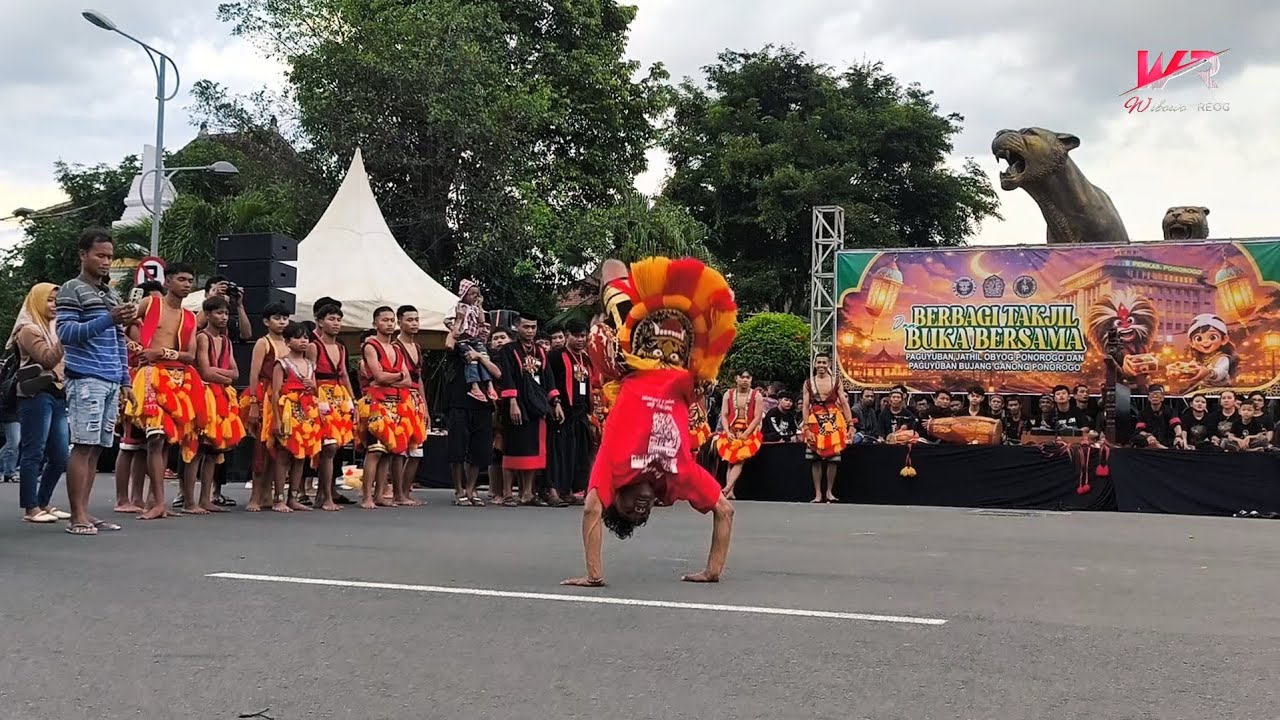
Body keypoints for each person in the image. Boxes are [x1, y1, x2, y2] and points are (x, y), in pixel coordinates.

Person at [563, 256, 737, 588]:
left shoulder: (613, 467)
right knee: (714, 304)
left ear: (617, 500)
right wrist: (713, 569)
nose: (641, 509)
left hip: (637, 354)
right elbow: (725, 511)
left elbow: (590, 510)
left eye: (630, 511)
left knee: (614, 274)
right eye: (643, 516)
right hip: (684, 354)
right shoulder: (677, 478)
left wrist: (594, 575)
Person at [56, 228, 134, 535]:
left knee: (98, 448)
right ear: (83, 255)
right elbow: (66, 334)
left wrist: (125, 380)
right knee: (83, 446)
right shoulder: (71, 289)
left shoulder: (109, 294)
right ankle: (77, 516)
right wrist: (109, 318)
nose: (106, 262)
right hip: (85, 377)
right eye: (100, 256)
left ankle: (86, 512)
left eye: (110, 257)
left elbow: (119, 341)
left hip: (110, 378)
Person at [123, 262, 205, 520]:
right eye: (181, 279)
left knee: (169, 439)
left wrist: (162, 352)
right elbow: (120, 328)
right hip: (149, 375)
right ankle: (157, 501)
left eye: (190, 280)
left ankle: (155, 500)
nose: (187, 284)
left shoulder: (190, 317)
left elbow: (190, 356)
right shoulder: (150, 304)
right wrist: (139, 351)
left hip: (179, 378)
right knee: (155, 437)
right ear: (167, 282)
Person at [8, 283, 70, 523]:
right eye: (50, 301)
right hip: (35, 394)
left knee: (60, 455)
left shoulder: (54, 328)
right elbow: (47, 358)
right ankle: (30, 508)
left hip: (58, 392)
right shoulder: (28, 329)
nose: (55, 306)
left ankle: (44, 502)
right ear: (37, 301)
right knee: (34, 451)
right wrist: (66, 336)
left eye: (58, 301)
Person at [186, 295, 246, 513]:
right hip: (203, 395)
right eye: (219, 313)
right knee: (197, 448)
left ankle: (205, 498)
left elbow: (236, 373)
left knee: (214, 449)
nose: (223, 317)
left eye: (226, 313)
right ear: (208, 314)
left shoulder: (226, 341)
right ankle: (189, 501)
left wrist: (221, 376)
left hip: (221, 395)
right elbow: (204, 370)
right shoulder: (203, 338)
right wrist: (225, 376)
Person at [496, 312, 558, 506]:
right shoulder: (508, 349)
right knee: (513, 446)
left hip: (537, 404)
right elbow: (507, 376)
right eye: (526, 327)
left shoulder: (540, 351)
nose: (530, 331)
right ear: (517, 327)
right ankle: (507, 493)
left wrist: (555, 402)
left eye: (533, 327)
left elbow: (548, 378)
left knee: (533, 447)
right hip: (517, 403)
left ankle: (527, 493)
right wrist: (512, 401)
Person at [357, 306, 413, 509]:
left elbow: (408, 382)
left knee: (389, 451)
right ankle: (367, 497)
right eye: (385, 320)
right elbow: (378, 376)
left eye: (392, 320)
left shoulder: (397, 349)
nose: (389, 324)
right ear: (375, 324)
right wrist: (397, 376)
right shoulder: (371, 346)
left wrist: (391, 379)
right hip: (377, 404)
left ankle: (380, 494)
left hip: (396, 403)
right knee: (374, 451)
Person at [306, 302, 356, 511]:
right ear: (319, 322)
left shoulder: (341, 347)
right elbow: (308, 374)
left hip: (339, 397)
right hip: (320, 396)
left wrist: (353, 402)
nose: (336, 323)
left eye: (338, 320)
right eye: (331, 319)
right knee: (329, 446)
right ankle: (324, 495)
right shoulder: (313, 346)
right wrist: (315, 401)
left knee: (336, 447)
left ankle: (323, 494)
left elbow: (343, 374)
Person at [269, 322, 321, 511]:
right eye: (298, 337)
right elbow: (275, 392)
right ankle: (279, 498)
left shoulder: (310, 365)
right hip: (288, 412)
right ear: (288, 341)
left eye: (306, 337)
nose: (303, 341)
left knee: (301, 456)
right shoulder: (281, 363)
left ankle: (294, 496)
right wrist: (276, 419)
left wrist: (311, 385)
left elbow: (315, 390)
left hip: (307, 413)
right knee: (284, 455)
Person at [244, 303, 291, 511]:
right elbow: (254, 373)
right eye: (277, 318)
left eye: (285, 318)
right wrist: (254, 402)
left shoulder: (290, 343)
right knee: (261, 447)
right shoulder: (264, 343)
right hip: (264, 395)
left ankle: (268, 494)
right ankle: (255, 496)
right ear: (266, 322)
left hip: (284, 396)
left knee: (278, 447)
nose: (281, 322)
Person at [546, 318, 594, 508]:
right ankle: (553, 491)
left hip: (581, 412)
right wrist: (554, 402)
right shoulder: (555, 356)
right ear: (567, 336)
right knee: (558, 453)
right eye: (576, 336)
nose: (581, 340)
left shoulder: (586, 358)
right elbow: (549, 381)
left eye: (584, 336)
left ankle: (569, 490)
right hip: (561, 411)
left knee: (578, 453)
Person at [390, 305, 429, 506]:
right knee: (400, 449)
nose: (414, 323)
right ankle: (398, 493)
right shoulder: (395, 347)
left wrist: (424, 405)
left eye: (416, 319)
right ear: (400, 322)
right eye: (409, 320)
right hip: (400, 398)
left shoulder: (418, 347)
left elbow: (419, 378)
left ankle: (405, 491)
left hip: (416, 400)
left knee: (416, 449)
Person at [801, 356, 852, 504]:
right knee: (814, 458)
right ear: (815, 364)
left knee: (833, 458)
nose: (821, 365)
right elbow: (805, 405)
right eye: (819, 362)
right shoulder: (808, 383)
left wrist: (850, 424)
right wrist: (806, 427)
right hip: (814, 419)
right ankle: (817, 494)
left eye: (824, 362)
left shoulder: (836, 381)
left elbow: (844, 402)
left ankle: (829, 492)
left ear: (829, 364)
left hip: (833, 419)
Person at [715, 369, 764, 500]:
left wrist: (747, 433)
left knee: (740, 459)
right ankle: (730, 491)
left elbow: (757, 417)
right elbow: (724, 415)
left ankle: (727, 487)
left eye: (747, 377)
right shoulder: (728, 394)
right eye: (742, 377)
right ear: (736, 378)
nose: (745, 380)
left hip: (749, 431)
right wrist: (727, 431)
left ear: (751, 379)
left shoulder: (757, 395)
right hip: (731, 430)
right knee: (731, 459)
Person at [449, 279, 498, 402]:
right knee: (472, 361)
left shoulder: (475, 308)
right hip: (463, 339)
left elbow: (481, 321)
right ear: (464, 294)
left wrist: (480, 306)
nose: (475, 297)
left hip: (475, 339)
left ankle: (489, 385)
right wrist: (457, 322)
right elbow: (449, 327)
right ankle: (475, 386)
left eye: (477, 294)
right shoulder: (457, 307)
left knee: (484, 357)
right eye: (472, 294)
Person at [1133, 384, 1178, 449]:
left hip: (1167, 441)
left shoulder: (1170, 411)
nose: (1155, 396)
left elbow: (1176, 424)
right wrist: (1148, 435)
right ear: (1148, 398)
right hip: (1151, 442)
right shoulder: (1143, 413)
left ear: (1162, 398)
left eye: (1157, 394)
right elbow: (1139, 430)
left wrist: (1178, 436)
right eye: (1152, 394)